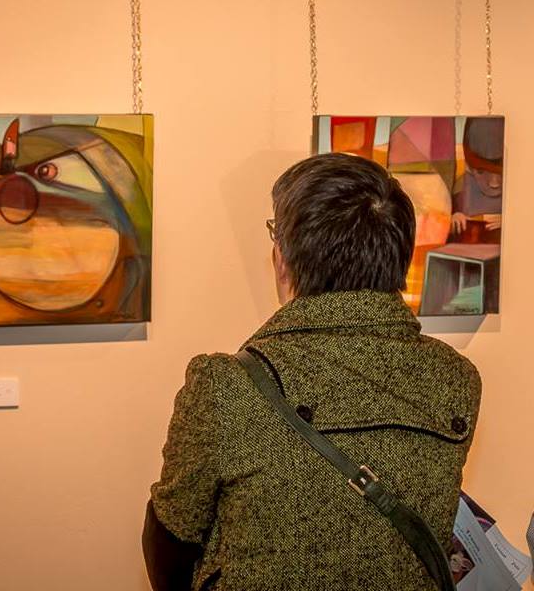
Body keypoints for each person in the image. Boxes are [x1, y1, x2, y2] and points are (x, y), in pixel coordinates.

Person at [143, 153, 482, 591]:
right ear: (399, 257)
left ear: (284, 260)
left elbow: (171, 539)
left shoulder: (225, 385)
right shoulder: (456, 379)